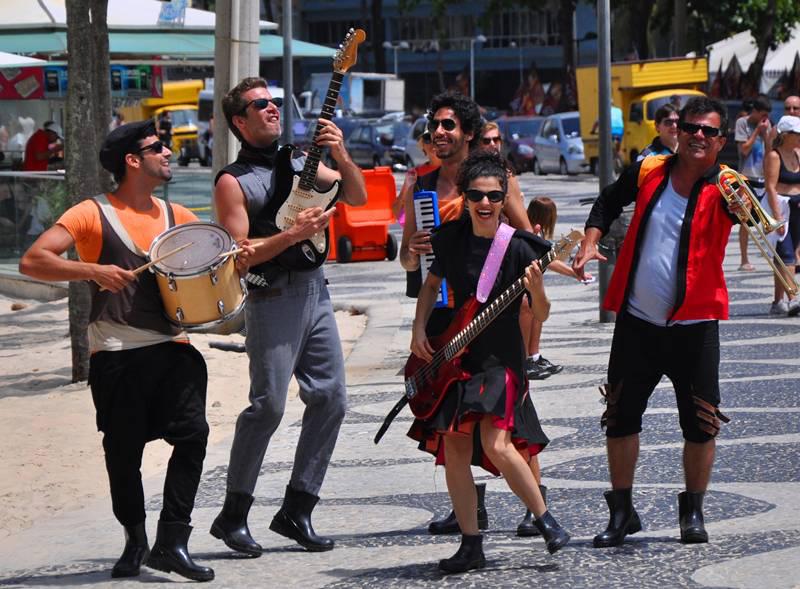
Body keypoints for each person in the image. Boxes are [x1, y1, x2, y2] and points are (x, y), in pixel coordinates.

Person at [18, 120, 221, 581]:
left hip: (175, 345)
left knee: (193, 436)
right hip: (117, 351)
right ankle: (135, 539)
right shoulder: (90, 213)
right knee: (123, 452)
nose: (168, 152)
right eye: (157, 147)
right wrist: (93, 271)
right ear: (132, 160)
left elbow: (216, 265)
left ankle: (173, 542)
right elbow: (33, 261)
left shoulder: (178, 217)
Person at [573, 96, 743, 547]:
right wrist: (590, 241)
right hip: (637, 323)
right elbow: (607, 202)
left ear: (721, 140)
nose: (698, 136)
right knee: (620, 416)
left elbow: (762, 223)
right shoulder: (649, 170)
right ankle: (622, 512)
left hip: (695, 326)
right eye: (691, 127)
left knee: (701, 423)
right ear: (677, 131)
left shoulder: (727, 186)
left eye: (708, 131)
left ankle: (693, 512)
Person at [210, 77, 367, 556]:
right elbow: (239, 258)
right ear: (240, 121)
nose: (273, 108)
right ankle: (232, 515)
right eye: (261, 104)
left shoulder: (302, 161)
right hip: (272, 297)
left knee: (332, 398)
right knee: (269, 406)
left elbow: (357, 197)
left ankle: (297, 509)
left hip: (316, 292)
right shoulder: (232, 181)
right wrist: (291, 235)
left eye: (275, 101)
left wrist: (341, 154)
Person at [408, 150, 570, 574]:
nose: (485, 203)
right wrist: (418, 329)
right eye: (477, 195)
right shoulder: (450, 238)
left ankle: (546, 520)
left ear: (503, 200)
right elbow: (430, 286)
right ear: (465, 197)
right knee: (454, 449)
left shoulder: (519, 247)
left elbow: (542, 312)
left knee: (498, 444)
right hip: (456, 356)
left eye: (494, 196)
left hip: (500, 360)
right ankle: (471, 544)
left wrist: (539, 291)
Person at [399, 92, 531, 536]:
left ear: (469, 133)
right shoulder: (421, 187)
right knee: (451, 417)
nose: (438, 132)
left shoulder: (495, 181)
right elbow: (407, 262)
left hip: (491, 315)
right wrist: (413, 250)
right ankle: (467, 508)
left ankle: (536, 502)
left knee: (511, 417)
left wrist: (531, 309)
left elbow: (528, 243)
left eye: (448, 125)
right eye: (434, 125)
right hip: (443, 313)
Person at [763, 115, 800, 315]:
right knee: (786, 255)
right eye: (797, 133)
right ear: (785, 135)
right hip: (780, 206)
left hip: (797, 206)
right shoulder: (774, 156)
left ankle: (777, 301)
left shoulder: (797, 153)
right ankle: (793, 298)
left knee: (786, 255)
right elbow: (770, 186)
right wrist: (777, 217)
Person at [735, 96, 772, 271]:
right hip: (746, 178)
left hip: (763, 178)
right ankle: (744, 259)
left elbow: (770, 152)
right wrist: (757, 131)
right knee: (745, 220)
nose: (765, 118)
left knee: (768, 219)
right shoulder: (742, 123)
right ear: (755, 111)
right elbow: (743, 150)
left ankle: (772, 254)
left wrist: (766, 135)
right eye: (762, 114)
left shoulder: (766, 125)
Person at [392, 130, 440, 224]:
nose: (433, 143)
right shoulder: (415, 174)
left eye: (437, 138)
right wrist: (407, 187)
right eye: (427, 139)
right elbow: (397, 212)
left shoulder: (456, 170)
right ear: (423, 146)